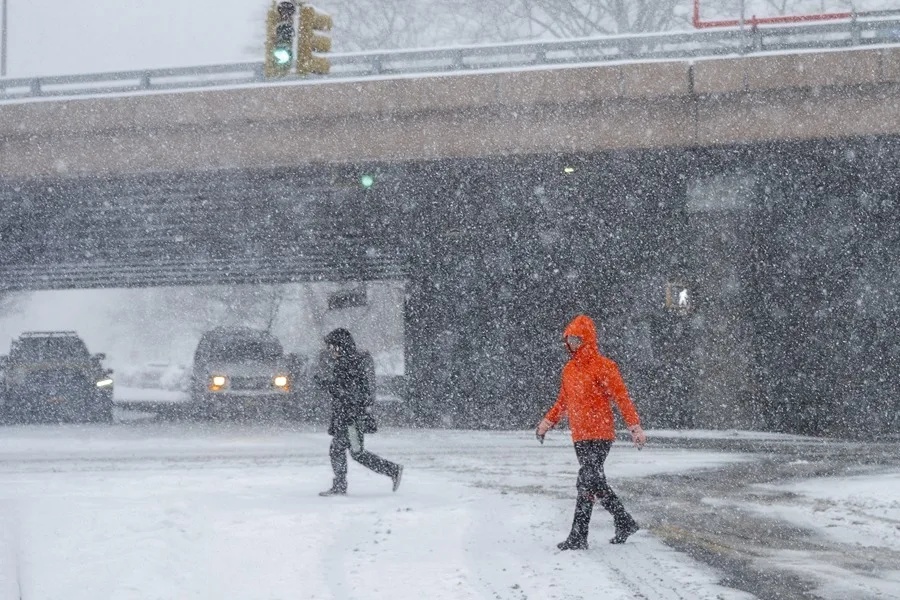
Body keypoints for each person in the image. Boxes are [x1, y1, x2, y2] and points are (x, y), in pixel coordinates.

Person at [535, 314, 646, 550]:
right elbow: (562, 403)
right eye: (569, 339)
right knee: (593, 482)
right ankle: (624, 521)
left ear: (587, 339)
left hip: (601, 434)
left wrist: (634, 427)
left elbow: (621, 398)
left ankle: (579, 535)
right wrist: (547, 422)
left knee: (586, 480)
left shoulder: (605, 366)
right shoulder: (569, 370)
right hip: (580, 436)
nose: (572, 344)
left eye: (576, 339)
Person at [317, 328, 403, 496]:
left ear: (341, 346)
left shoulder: (349, 364)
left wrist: (329, 386)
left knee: (339, 449)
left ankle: (341, 485)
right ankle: (392, 470)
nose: (331, 351)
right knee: (356, 453)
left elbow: (351, 393)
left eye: (333, 347)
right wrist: (328, 384)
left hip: (351, 418)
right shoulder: (348, 362)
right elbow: (347, 390)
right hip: (350, 416)